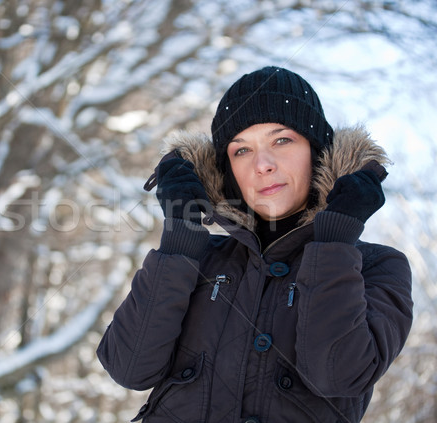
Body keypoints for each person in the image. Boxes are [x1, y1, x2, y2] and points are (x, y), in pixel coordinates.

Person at [97, 66, 413, 423]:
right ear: (226, 170)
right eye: (242, 150)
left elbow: (337, 374)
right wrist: (181, 233)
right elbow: (128, 367)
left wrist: (336, 238)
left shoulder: (377, 266)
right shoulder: (198, 258)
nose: (262, 164)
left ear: (319, 152)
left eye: (282, 140)